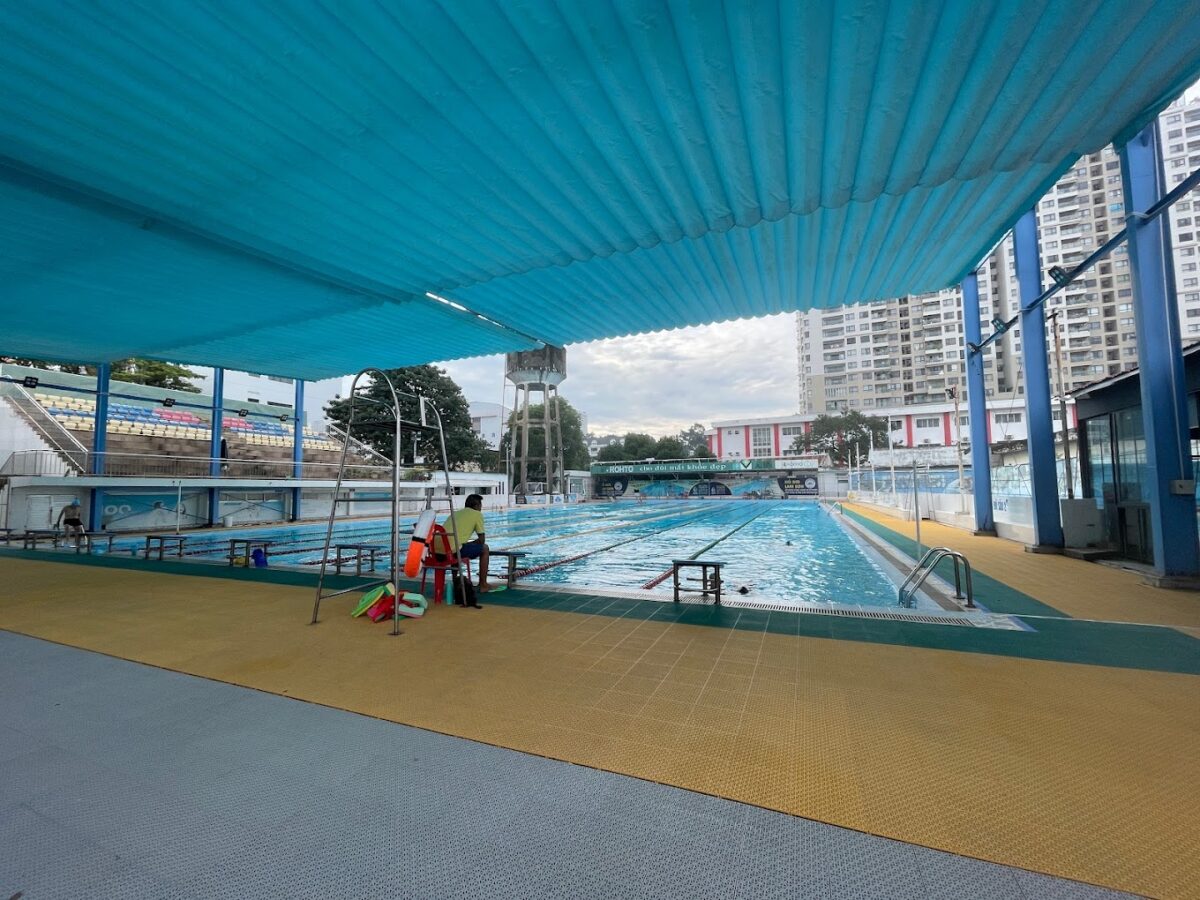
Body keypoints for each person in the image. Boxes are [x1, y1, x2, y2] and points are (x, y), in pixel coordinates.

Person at [434, 493, 490, 599]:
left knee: (455, 547)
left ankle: (456, 583)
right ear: (477, 506)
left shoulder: (454, 514)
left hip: (436, 552)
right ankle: (483, 584)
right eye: (480, 505)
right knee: (485, 548)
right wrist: (471, 543)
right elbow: (482, 540)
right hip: (452, 551)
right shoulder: (477, 514)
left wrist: (466, 544)